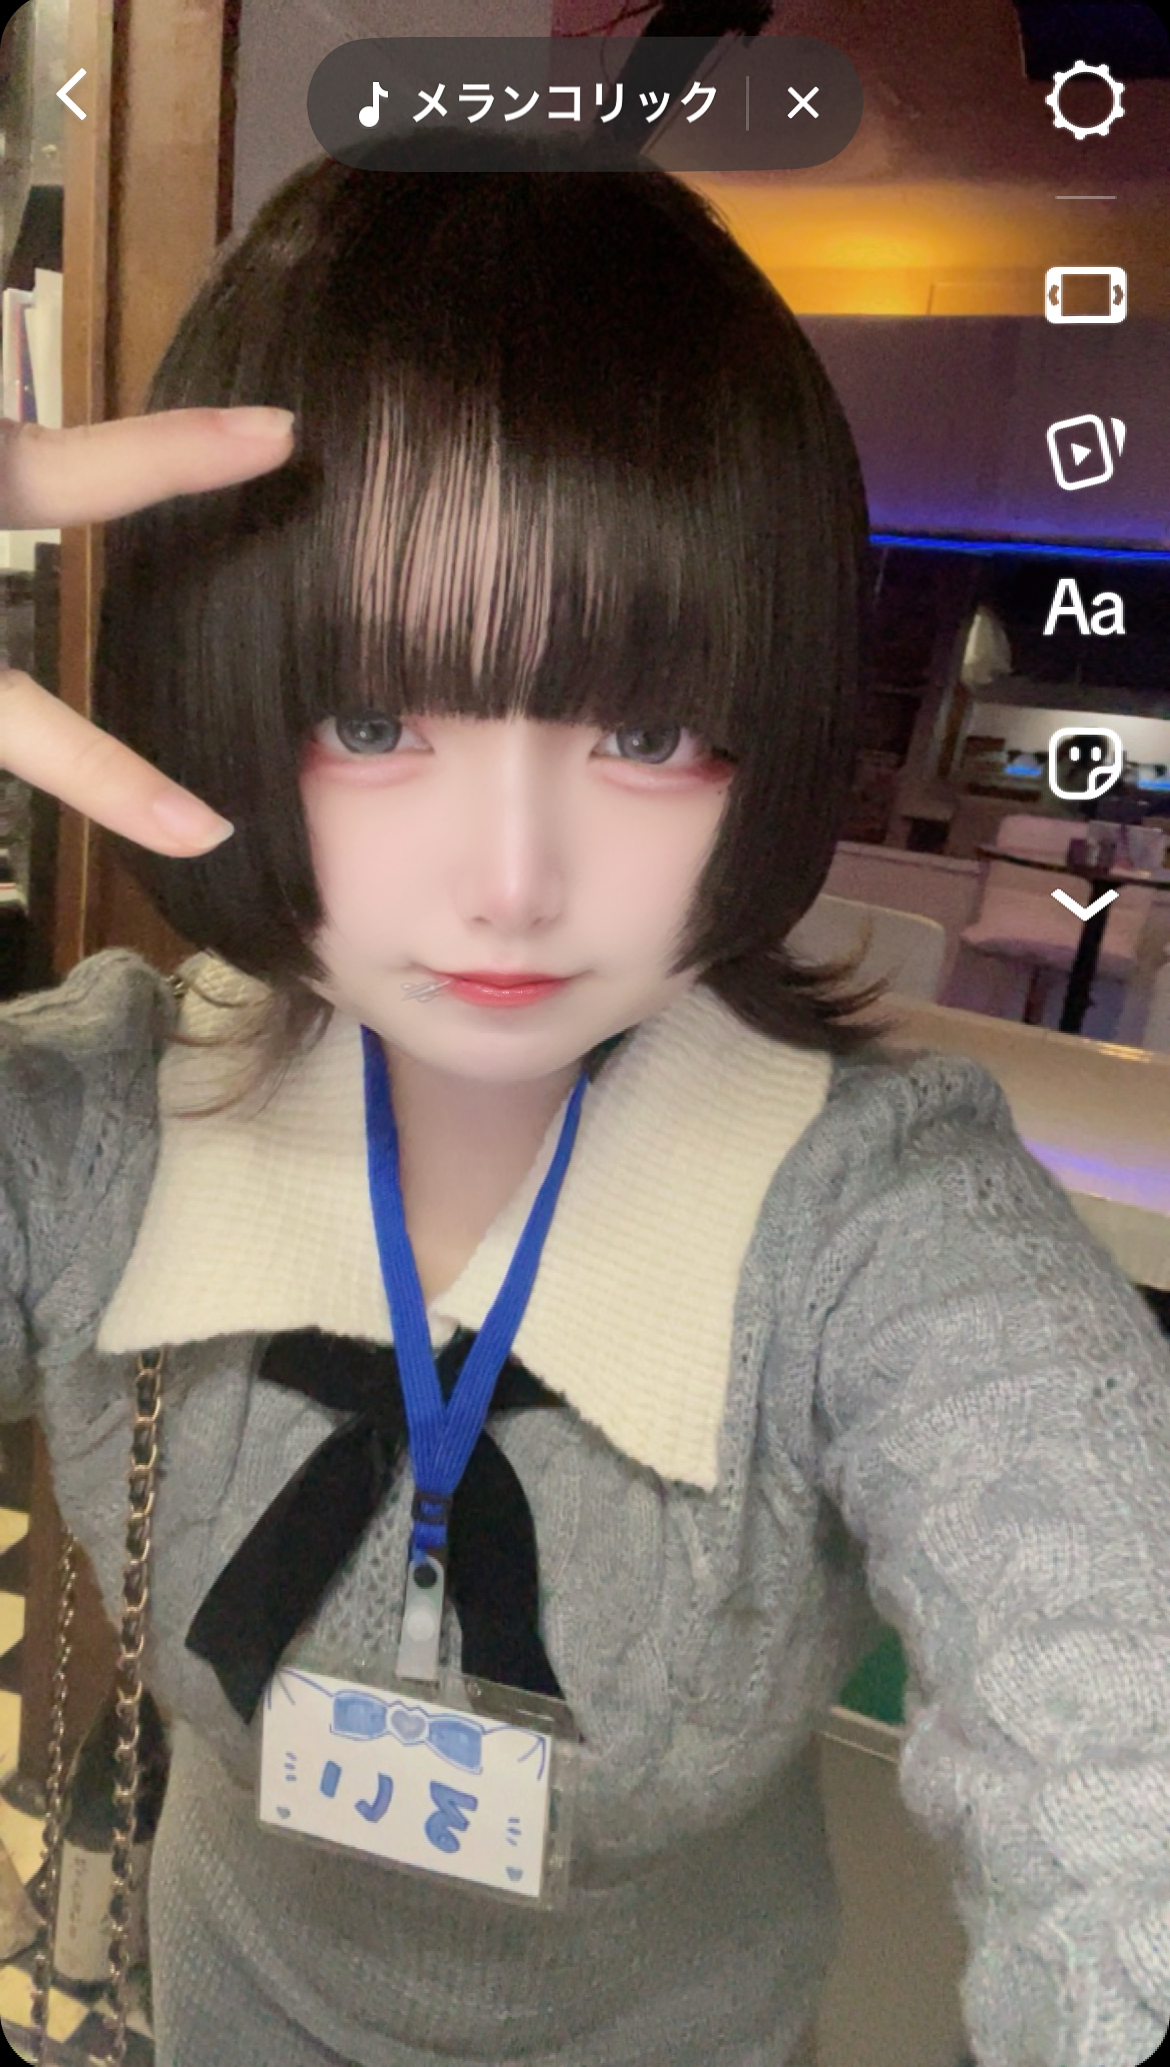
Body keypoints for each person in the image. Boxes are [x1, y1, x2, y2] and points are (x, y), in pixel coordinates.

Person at [2, 131, 1168, 2067]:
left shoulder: (875, 1225)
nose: (515, 881)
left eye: (640, 729)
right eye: (376, 720)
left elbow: (1119, 1731)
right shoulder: (96, 1127)